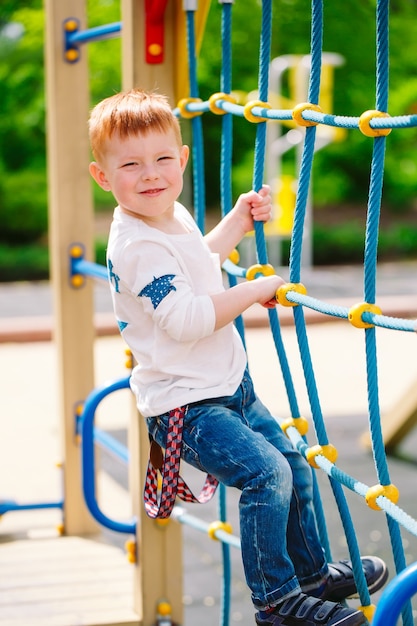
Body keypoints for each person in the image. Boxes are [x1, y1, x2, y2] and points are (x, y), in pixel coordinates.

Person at [88, 89, 388, 626]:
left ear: (181, 161)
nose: (150, 174)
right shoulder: (135, 244)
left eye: (161, 159)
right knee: (266, 474)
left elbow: (198, 262)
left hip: (228, 386)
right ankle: (276, 602)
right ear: (103, 177)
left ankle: (311, 575)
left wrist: (236, 223)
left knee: (293, 467)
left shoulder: (167, 216)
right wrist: (255, 291)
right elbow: (186, 317)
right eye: (131, 165)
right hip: (188, 407)